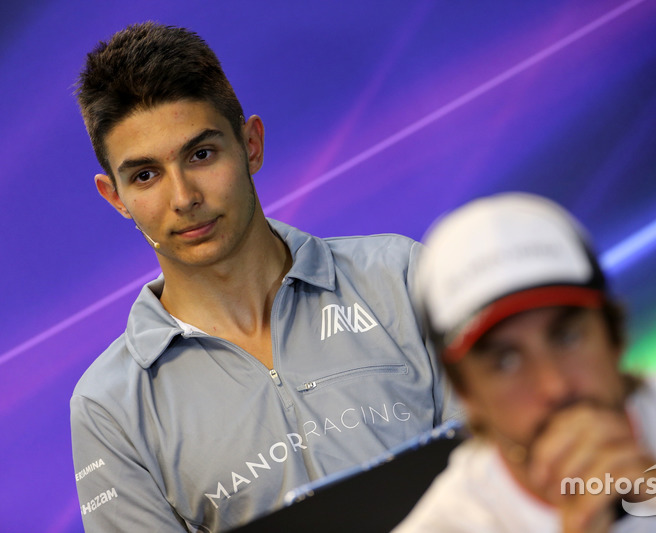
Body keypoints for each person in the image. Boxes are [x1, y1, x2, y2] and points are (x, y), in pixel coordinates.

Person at [69, 22, 460, 532]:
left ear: (250, 144)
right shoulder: (109, 407)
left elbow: (513, 471)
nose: (184, 197)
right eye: (145, 175)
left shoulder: (402, 278)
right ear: (115, 196)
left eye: (201, 154)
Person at [394, 192, 656, 532]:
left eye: (567, 336)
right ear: (466, 390)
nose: (555, 385)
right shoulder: (446, 524)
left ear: (613, 334)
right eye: (505, 362)